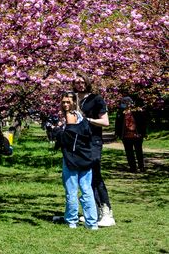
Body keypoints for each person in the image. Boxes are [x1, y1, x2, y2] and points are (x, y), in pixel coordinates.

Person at [55, 92, 98, 230]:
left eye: (68, 102)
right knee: (87, 189)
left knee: (72, 190)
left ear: (74, 102)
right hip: (85, 158)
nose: (65, 104)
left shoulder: (70, 116)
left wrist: (58, 132)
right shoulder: (82, 118)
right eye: (63, 102)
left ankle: (72, 221)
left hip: (72, 159)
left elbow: (68, 138)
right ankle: (92, 223)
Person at [76, 79, 114, 227]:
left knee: (95, 175)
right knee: (85, 178)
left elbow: (105, 122)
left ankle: (106, 211)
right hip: (79, 142)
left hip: (93, 141)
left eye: (82, 82)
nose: (79, 85)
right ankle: (93, 211)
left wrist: (88, 120)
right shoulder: (73, 99)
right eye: (76, 82)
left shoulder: (96, 99)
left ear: (87, 83)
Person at [114, 97, 148, 173]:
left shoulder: (137, 111)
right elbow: (117, 124)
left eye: (126, 102)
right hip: (125, 136)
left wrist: (144, 133)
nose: (125, 104)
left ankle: (141, 166)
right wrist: (117, 133)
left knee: (139, 151)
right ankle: (133, 167)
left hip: (137, 135)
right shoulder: (120, 112)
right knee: (129, 152)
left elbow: (142, 123)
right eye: (123, 102)